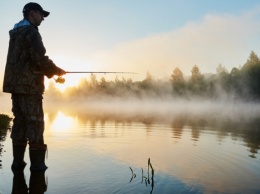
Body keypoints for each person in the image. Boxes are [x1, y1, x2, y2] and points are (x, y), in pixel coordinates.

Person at [3, 2, 66, 171]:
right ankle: (38, 168)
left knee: (20, 122)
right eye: (41, 14)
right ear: (32, 13)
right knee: (36, 124)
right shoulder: (31, 32)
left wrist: (51, 72)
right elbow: (39, 58)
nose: (43, 18)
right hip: (30, 87)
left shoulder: (16, 33)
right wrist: (57, 71)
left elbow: (27, 60)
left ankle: (18, 163)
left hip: (16, 86)